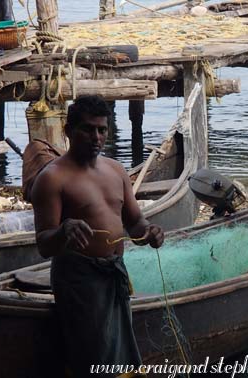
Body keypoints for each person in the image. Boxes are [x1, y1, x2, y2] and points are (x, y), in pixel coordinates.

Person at [31, 95, 164, 377]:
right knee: (91, 358)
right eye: (87, 129)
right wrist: (64, 232)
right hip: (79, 283)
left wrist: (150, 232)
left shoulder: (116, 170)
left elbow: (135, 222)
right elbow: (44, 243)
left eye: (102, 130)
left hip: (115, 276)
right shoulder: (52, 178)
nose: (96, 137)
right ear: (68, 132)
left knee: (121, 356)